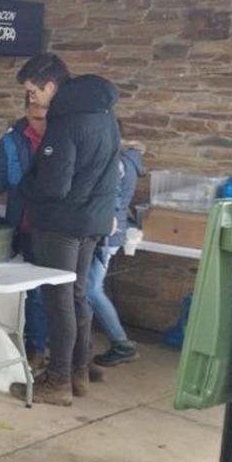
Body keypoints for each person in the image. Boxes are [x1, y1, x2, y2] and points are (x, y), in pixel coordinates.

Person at [10, 52, 120, 407]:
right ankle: (78, 372)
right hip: (93, 220)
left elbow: (54, 185)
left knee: (59, 301)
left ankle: (57, 381)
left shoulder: (67, 123)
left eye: (33, 91)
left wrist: (25, 187)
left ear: (52, 86)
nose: (32, 99)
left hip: (62, 223)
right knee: (76, 296)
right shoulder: (104, 116)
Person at [0, 96, 50, 366]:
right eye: (35, 118)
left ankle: (74, 358)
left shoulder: (66, 137)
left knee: (73, 294)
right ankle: (36, 350)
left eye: (45, 117)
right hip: (26, 226)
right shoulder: (12, 140)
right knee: (35, 293)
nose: (40, 125)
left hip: (59, 230)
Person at [90, 132, 144, 367]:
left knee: (90, 290)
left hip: (105, 235)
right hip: (114, 232)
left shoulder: (115, 163)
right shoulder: (130, 159)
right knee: (91, 288)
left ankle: (121, 343)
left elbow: (111, 198)